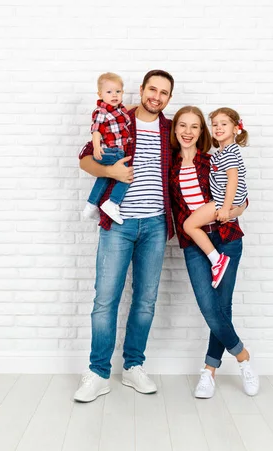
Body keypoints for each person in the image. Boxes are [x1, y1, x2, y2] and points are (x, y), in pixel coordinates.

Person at [74, 69, 175, 403]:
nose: (156, 96)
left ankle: (133, 366)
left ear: (168, 98)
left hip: (156, 225)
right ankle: (99, 373)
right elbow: (85, 159)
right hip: (117, 224)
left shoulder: (170, 129)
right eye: (152, 89)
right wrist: (110, 171)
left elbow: (195, 163)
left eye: (164, 93)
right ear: (142, 90)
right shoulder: (120, 116)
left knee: (145, 301)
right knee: (105, 300)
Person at [169, 105, 259, 398]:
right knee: (209, 308)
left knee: (222, 307)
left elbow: (238, 189)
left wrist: (239, 207)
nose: (187, 132)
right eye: (182, 125)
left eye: (195, 127)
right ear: (175, 130)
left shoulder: (213, 159)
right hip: (196, 245)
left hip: (227, 237)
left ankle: (209, 371)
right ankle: (243, 356)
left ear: (201, 132)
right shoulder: (168, 166)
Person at [182, 107, 249, 289]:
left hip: (222, 203)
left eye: (224, 124)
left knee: (188, 225)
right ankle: (217, 260)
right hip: (224, 201)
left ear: (236, 128)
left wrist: (226, 208)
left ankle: (217, 260)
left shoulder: (229, 153)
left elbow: (233, 181)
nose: (218, 128)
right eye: (215, 124)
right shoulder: (220, 153)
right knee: (190, 225)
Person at [81, 72, 132, 225]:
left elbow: (127, 112)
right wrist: (96, 147)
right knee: (126, 173)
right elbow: (96, 130)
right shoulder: (102, 111)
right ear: (100, 94)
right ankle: (113, 202)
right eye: (109, 92)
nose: (114, 95)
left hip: (116, 151)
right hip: (110, 151)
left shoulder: (119, 110)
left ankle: (91, 205)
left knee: (104, 177)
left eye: (118, 91)